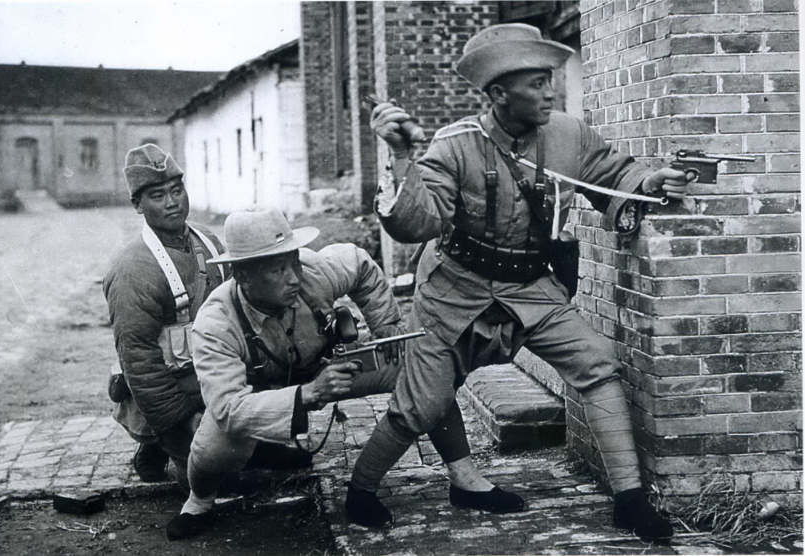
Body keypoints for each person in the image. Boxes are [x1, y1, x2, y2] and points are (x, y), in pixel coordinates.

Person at [346, 23, 688, 541]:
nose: (551, 91)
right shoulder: (454, 145)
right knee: (421, 404)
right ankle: (360, 490)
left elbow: (613, 174)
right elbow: (417, 223)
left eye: (551, 79)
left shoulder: (568, 135)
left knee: (597, 362)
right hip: (453, 289)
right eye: (537, 83)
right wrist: (399, 158)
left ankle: (630, 501)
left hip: (531, 287)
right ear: (499, 94)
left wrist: (649, 181)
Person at [166, 206, 422, 540]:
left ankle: (446, 476)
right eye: (278, 270)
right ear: (243, 276)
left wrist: (386, 323)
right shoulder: (215, 323)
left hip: (321, 367)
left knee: (417, 369)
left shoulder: (312, 271)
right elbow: (229, 409)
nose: (294, 278)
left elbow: (359, 263)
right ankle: (199, 501)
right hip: (256, 394)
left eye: (294, 262)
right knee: (212, 451)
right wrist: (308, 395)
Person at [103, 144, 227, 489]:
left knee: (260, 451)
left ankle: (170, 441)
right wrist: (182, 422)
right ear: (138, 205)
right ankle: (158, 438)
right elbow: (139, 360)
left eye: (177, 190)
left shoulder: (209, 242)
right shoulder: (132, 268)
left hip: (216, 376)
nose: (173, 202)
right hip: (168, 390)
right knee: (212, 480)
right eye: (158, 196)